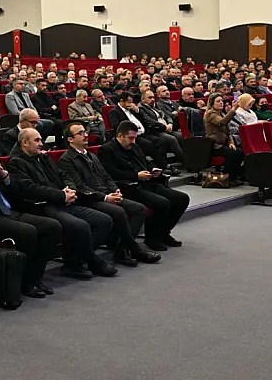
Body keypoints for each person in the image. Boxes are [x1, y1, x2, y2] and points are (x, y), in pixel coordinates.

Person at [0, 129, 62, 296]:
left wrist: (5, 176)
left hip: (9, 210)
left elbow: (15, 191)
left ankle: (34, 276)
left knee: (52, 226)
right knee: (28, 232)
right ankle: (24, 282)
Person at [7, 128, 117, 279]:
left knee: (104, 220)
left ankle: (74, 259)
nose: (42, 143)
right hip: (43, 206)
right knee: (81, 226)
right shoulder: (16, 163)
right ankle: (92, 261)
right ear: (24, 143)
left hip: (63, 201)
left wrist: (70, 189)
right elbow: (32, 189)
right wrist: (61, 195)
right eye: (37, 140)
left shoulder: (42, 157)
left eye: (41, 139)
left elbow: (62, 174)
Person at [58, 122, 161, 266]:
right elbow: (80, 187)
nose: (86, 135)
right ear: (70, 139)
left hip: (106, 194)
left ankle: (122, 250)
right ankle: (135, 250)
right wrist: (106, 197)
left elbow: (106, 176)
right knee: (118, 212)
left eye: (85, 132)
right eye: (80, 133)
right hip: (90, 199)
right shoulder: (67, 159)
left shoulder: (91, 155)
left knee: (140, 209)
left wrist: (114, 190)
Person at [97, 121, 190, 251]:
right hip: (129, 187)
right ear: (120, 136)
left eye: (135, 137)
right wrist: (136, 175)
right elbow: (110, 173)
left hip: (148, 182)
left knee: (182, 198)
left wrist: (153, 169)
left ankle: (163, 232)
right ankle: (152, 238)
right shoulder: (106, 150)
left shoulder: (133, 147)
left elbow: (145, 162)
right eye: (130, 138)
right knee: (162, 203)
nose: (133, 141)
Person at [107, 92, 170, 171]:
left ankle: (160, 164)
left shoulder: (132, 109)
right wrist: (131, 127)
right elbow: (116, 126)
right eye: (129, 102)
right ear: (122, 101)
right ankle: (163, 166)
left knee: (161, 142)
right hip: (131, 136)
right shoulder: (114, 111)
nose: (131, 104)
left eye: (131, 102)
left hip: (143, 133)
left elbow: (142, 120)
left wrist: (137, 111)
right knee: (148, 144)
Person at [203, 94, 244, 184]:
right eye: (218, 101)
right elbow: (222, 122)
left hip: (223, 143)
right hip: (214, 145)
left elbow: (228, 132)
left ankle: (234, 176)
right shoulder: (210, 113)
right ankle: (228, 176)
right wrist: (233, 109)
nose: (221, 103)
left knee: (239, 152)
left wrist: (231, 142)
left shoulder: (221, 113)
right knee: (233, 154)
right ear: (212, 103)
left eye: (221, 101)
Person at [138, 90, 184, 168]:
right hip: (156, 131)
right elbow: (149, 121)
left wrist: (170, 123)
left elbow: (167, 116)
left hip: (166, 128)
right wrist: (164, 127)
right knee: (172, 139)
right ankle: (185, 161)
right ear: (143, 99)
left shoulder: (155, 106)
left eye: (153, 97)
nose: (152, 99)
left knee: (181, 136)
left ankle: (190, 157)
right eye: (149, 97)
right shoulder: (141, 108)